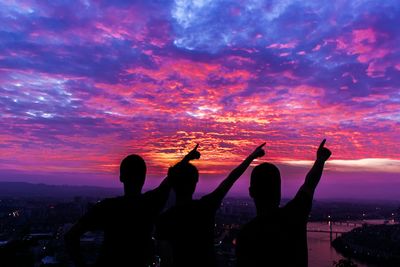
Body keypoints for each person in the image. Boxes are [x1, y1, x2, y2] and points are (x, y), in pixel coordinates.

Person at [64, 145, 200, 267]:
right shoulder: (149, 204)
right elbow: (170, 179)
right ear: (144, 178)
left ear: (121, 177)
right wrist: (186, 159)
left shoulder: (107, 207)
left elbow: (71, 236)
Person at [156, 143, 266, 267]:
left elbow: (165, 258)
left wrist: (186, 159)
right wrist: (251, 157)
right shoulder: (204, 207)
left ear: (173, 185)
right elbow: (231, 179)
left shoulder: (164, 219)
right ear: (195, 183)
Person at [236, 139, 332, 267]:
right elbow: (310, 184)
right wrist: (320, 159)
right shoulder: (294, 214)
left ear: (251, 192)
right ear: (279, 192)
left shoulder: (246, 235)